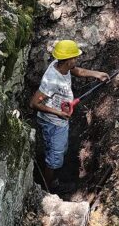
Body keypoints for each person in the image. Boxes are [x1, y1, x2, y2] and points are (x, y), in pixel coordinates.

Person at [29, 39, 109, 194]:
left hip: (61, 122)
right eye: (75, 57)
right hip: (53, 124)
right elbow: (34, 103)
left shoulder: (62, 66)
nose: (76, 60)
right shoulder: (51, 80)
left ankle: (54, 177)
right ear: (69, 60)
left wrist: (97, 74)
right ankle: (49, 189)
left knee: (59, 152)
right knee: (54, 158)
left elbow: (77, 71)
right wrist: (59, 113)